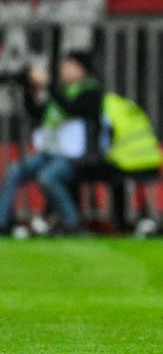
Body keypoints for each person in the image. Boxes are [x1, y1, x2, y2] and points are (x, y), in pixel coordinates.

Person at [0, 51, 101, 235]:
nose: (63, 68)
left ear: (81, 70)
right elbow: (36, 114)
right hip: (47, 152)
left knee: (48, 178)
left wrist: (49, 85)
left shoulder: (90, 91)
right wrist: (29, 91)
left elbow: (73, 109)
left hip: (74, 156)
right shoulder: (59, 91)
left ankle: (73, 224)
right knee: (14, 171)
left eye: (69, 64)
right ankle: (1, 222)